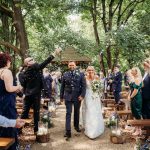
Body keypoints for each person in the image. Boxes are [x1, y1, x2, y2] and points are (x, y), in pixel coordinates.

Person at [20, 48, 61, 133]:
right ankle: (36, 130)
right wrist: (54, 54)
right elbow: (44, 63)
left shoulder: (24, 72)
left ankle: (19, 130)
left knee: (25, 112)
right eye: (31, 59)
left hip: (28, 94)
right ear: (28, 63)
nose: (33, 60)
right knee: (36, 112)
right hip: (35, 94)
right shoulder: (34, 67)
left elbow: (23, 84)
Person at [0, 53, 23, 150]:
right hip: (7, 102)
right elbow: (9, 88)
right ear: (7, 61)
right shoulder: (6, 71)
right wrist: (19, 86)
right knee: (11, 126)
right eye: (9, 60)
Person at [60, 61, 86, 140]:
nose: (71, 66)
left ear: (75, 66)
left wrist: (82, 95)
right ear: (68, 66)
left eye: (73, 65)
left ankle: (76, 126)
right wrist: (61, 97)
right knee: (68, 113)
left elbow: (83, 86)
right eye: (70, 65)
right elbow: (62, 87)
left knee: (76, 112)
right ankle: (68, 131)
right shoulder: (65, 74)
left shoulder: (81, 74)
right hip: (68, 96)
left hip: (77, 97)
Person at [81, 66, 104, 139]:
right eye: (89, 70)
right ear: (87, 71)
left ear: (94, 71)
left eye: (92, 70)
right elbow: (83, 87)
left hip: (95, 96)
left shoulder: (97, 77)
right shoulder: (85, 78)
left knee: (95, 111)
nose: (90, 71)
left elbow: (100, 87)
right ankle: (88, 128)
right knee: (88, 111)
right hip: (87, 95)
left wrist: (97, 92)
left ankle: (95, 128)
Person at [128, 67, 142, 136]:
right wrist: (129, 95)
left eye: (133, 71)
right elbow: (131, 89)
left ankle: (139, 130)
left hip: (136, 97)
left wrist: (131, 96)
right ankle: (136, 127)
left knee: (137, 113)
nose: (131, 71)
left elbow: (136, 90)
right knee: (133, 112)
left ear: (136, 72)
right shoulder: (133, 79)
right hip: (133, 97)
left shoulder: (137, 79)